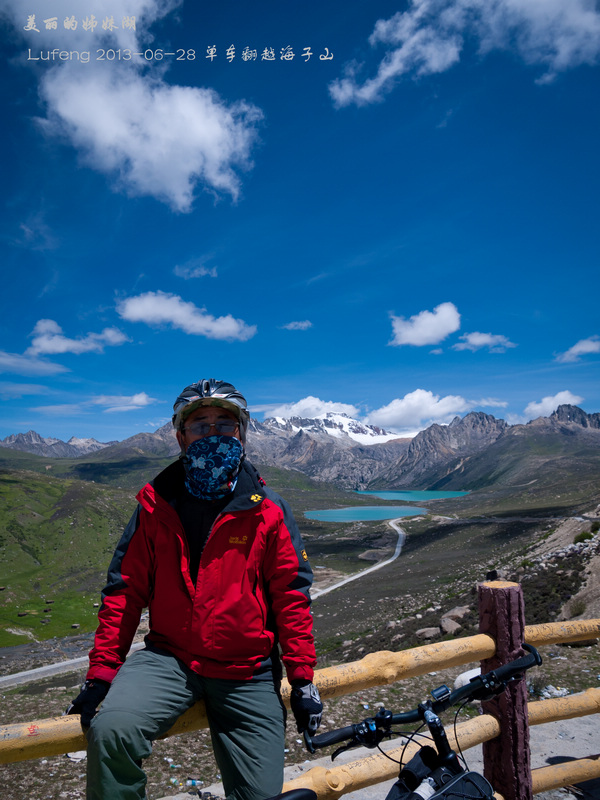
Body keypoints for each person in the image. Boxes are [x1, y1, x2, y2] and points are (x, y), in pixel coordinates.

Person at [68, 379, 323, 800]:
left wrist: (301, 678)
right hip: (170, 659)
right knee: (111, 730)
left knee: (260, 795)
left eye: (225, 423)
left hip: (247, 670)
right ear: (180, 436)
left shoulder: (268, 508)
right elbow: (124, 593)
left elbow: (291, 593)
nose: (214, 433)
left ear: (241, 431)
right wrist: (101, 674)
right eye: (200, 424)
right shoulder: (155, 505)